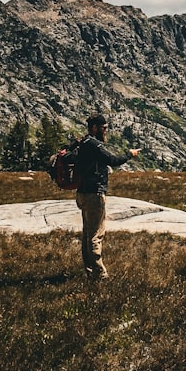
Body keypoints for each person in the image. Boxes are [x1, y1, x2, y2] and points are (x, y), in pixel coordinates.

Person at [74, 114, 139, 280]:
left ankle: (90, 270)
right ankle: (99, 273)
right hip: (94, 194)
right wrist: (129, 154)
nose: (106, 131)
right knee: (96, 235)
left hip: (82, 193)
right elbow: (113, 160)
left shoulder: (83, 143)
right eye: (104, 128)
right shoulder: (95, 145)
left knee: (88, 234)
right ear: (95, 127)